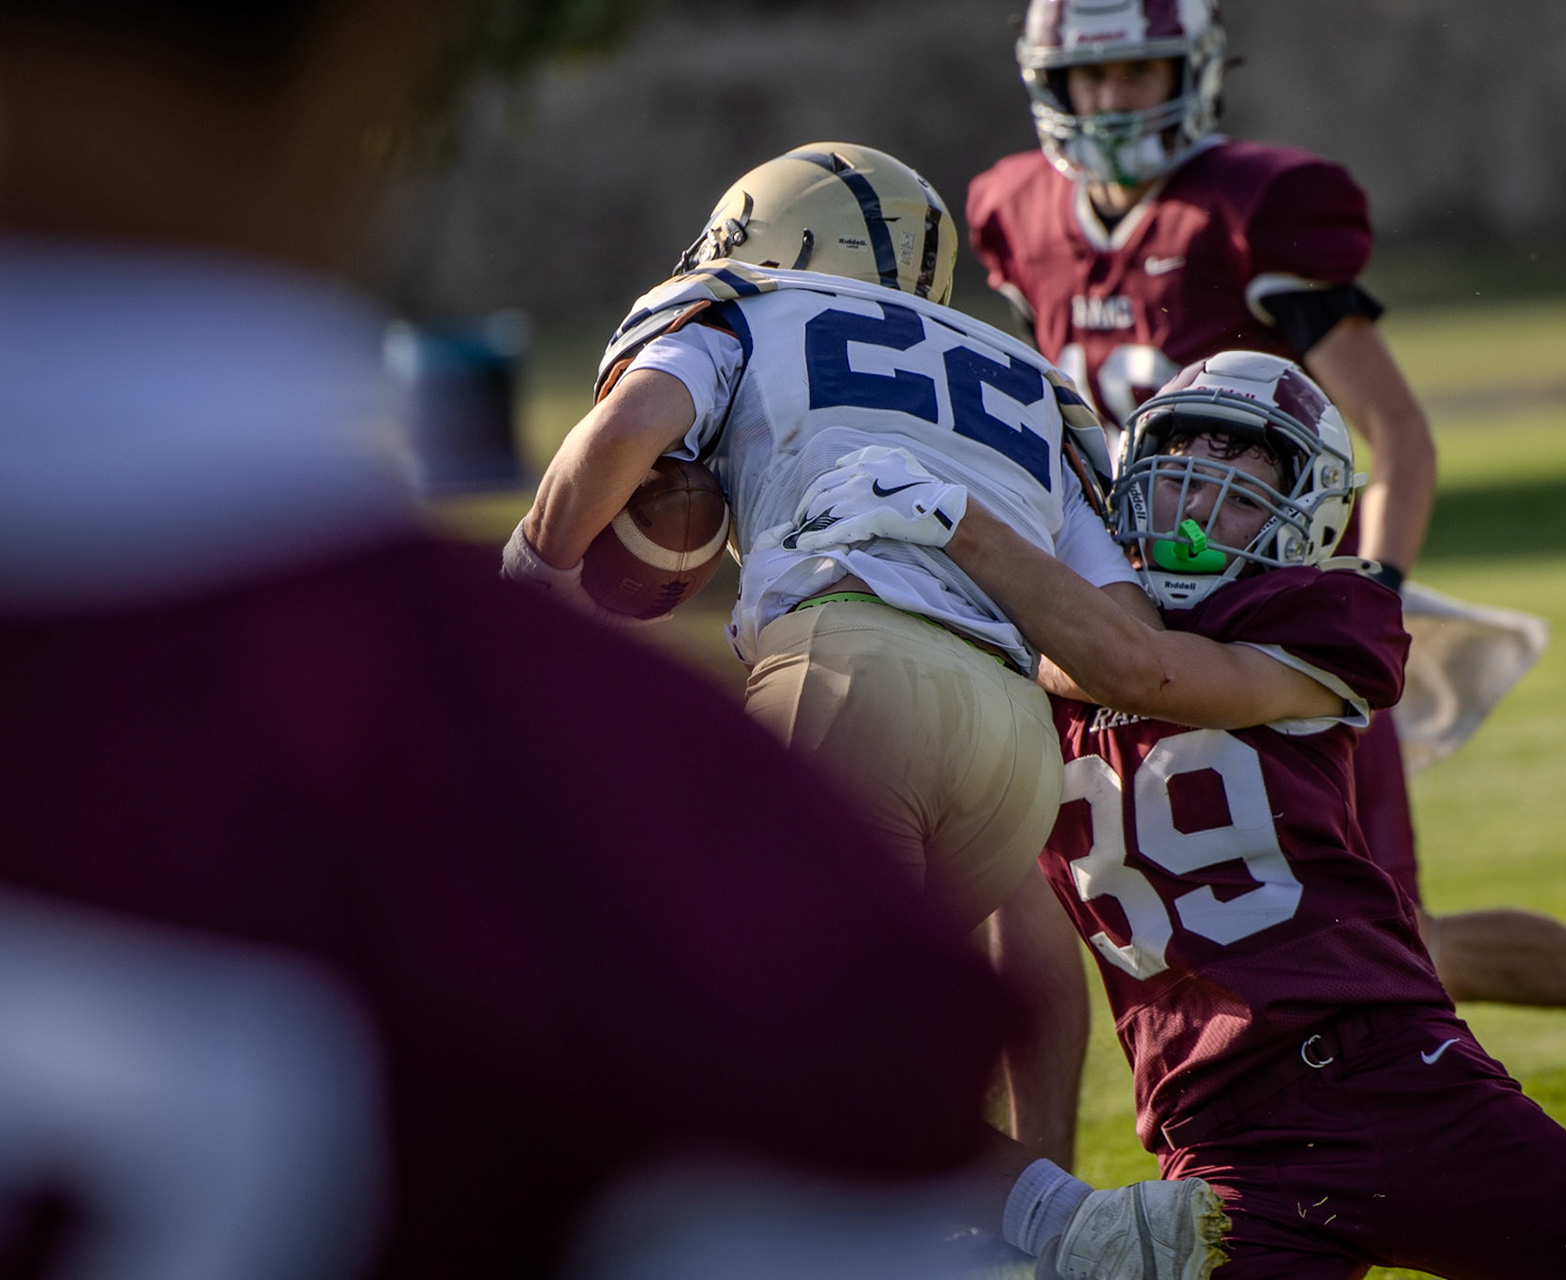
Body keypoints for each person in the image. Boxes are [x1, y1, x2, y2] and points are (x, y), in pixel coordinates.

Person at [0, 6, 1040, 1278]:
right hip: (1009, 719)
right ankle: (1062, 1206)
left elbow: (606, 460)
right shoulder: (610, 814)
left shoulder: (715, 330)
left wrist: (535, 572)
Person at [966, 0, 1566, 1162]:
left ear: (1193, 70)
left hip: (1247, 631)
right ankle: (1040, 1201)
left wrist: (1347, 609)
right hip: (1117, 628)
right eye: (1091, 79)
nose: (1114, 102)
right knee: (1050, 901)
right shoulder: (1016, 209)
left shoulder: (1253, 207)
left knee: (1387, 939)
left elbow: (1397, 431)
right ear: (1048, 83)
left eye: (1138, 72)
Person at [787, 351, 1566, 1278]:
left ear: (1301, 525)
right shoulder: (1041, 659)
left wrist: (963, 533)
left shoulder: (1320, 614)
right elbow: (1029, 938)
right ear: (1129, 486)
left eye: (1241, 493)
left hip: (1398, 1087)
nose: (1199, 510)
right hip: (1218, 1149)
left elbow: (1146, 670)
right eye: (1179, 478)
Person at [503, 141, 1227, 1280]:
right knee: (839, 1056)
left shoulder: (745, 303)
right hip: (1011, 749)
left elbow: (628, 425)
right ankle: (1000, 1232)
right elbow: (1119, 640)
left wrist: (533, 576)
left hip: (848, 669)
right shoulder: (1030, 376)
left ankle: (1067, 1223)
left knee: (712, 1013)